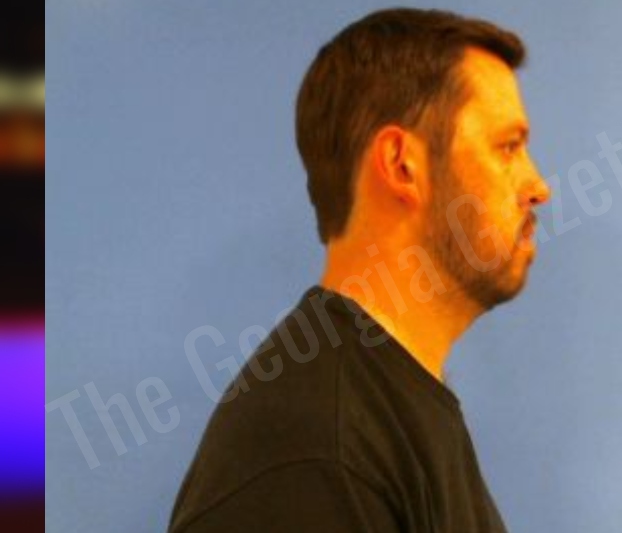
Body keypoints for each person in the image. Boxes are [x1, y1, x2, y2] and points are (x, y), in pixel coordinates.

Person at [168, 7, 550, 532]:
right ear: (401, 164)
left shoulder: (382, 415)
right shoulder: (318, 451)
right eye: (507, 147)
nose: (537, 186)